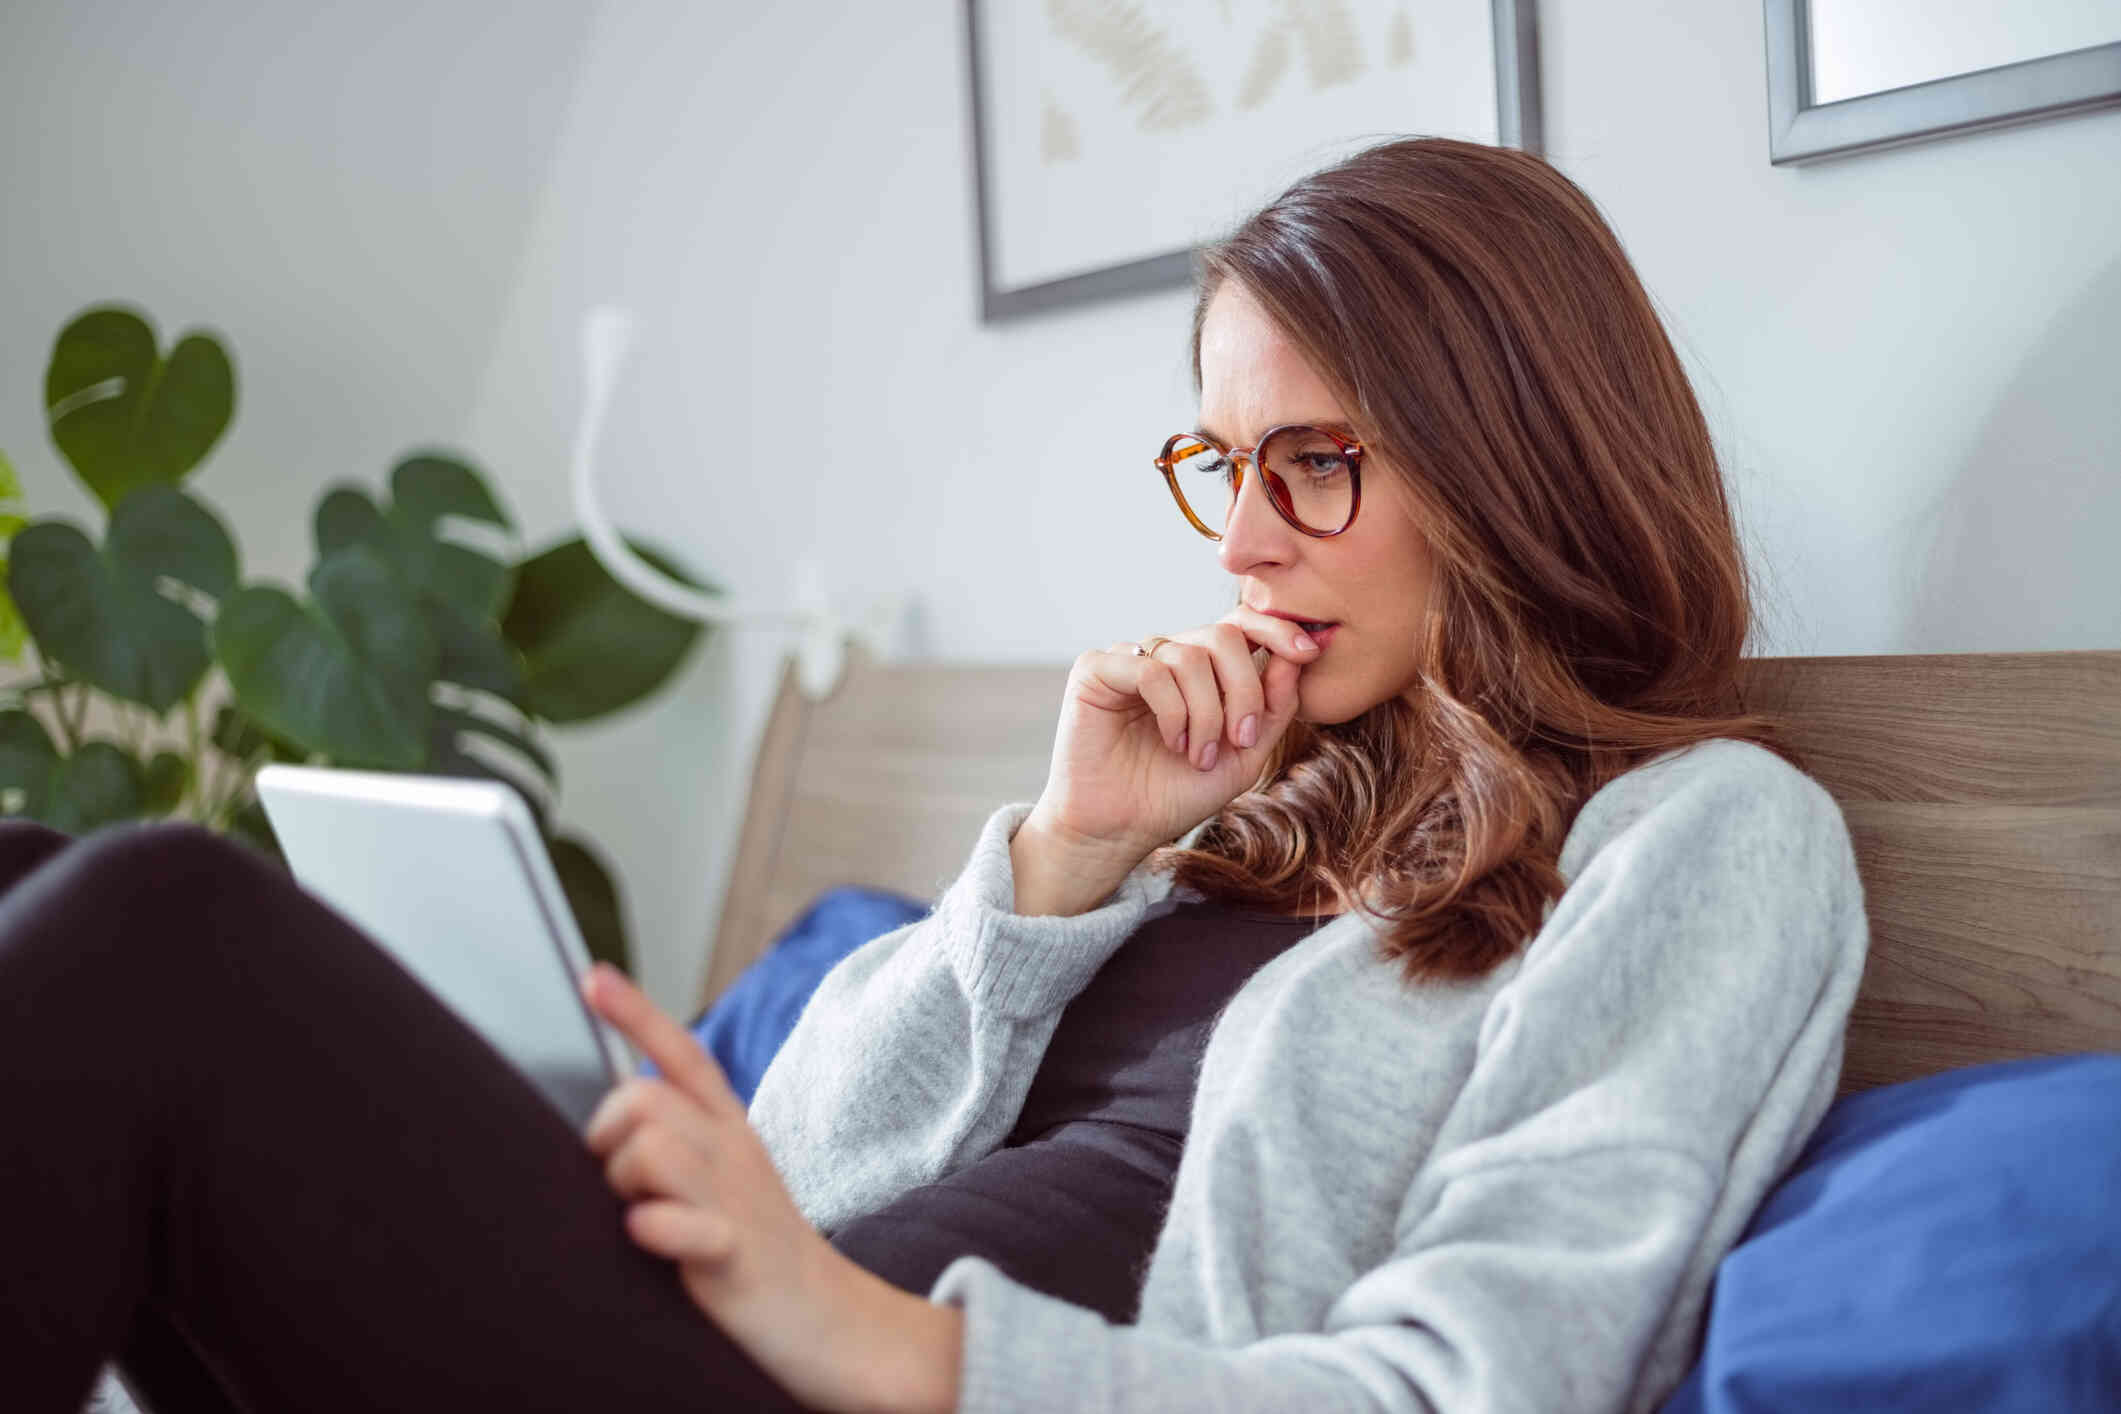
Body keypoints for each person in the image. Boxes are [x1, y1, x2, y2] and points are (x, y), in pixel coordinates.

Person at [5, 133, 1867, 1414]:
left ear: (1512, 458)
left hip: (863, 1383)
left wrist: (885, 1345)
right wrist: (1061, 860)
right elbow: (796, 1171)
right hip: (737, 1349)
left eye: (1314, 461)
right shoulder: (1250, 807)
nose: (1243, 545)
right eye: (1223, 467)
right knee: (36, 869)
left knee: (161, 930)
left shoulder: (1702, 841)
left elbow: (1465, 1386)